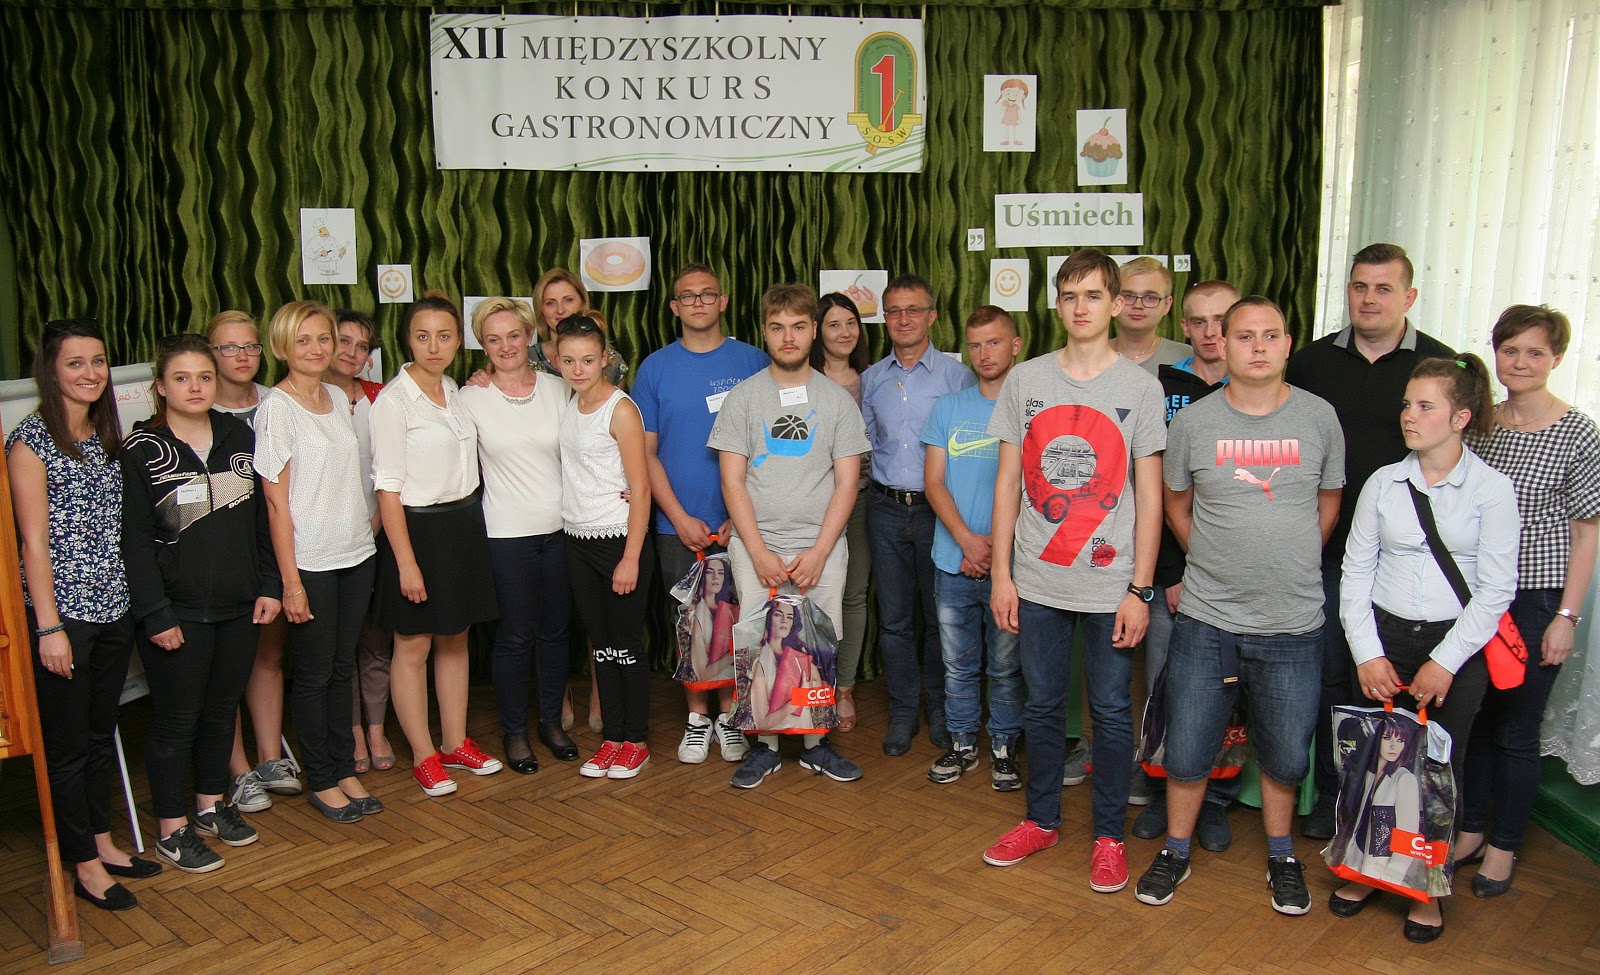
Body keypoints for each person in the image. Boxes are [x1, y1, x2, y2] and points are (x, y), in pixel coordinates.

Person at [1133, 295, 1344, 916]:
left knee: (1285, 753)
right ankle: (1175, 849)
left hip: (1293, 622)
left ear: (1287, 344)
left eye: (1270, 335)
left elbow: (1328, 502)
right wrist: (1209, 556)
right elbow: (1175, 502)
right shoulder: (1193, 423)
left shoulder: (1319, 417)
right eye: (1244, 336)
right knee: (1189, 747)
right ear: (1222, 345)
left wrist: (1290, 558)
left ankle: (1281, 855)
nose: (1257, 347)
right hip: (1207, 620)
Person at [980, 249, 1164, 897]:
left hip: (1111, 585)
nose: (1080, 307)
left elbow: (1150, 496)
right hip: (1037, 579)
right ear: (1056, 304)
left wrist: (1141, 588)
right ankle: (1041, 820)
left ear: (1115, 304)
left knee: (1111, 710)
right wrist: (1002, 575)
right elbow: (1007, 483)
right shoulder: (1026, 380)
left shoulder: (1140, 389)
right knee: (1042, 703)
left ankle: (1109, 836)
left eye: (1092, 295)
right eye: (1069, 295)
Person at [1334, 354, 1519, 941]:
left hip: (1454, 643)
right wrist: (1367, 653)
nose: (1409, 416)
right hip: (1383, 637)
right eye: (1406, 405)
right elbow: (1355, 573)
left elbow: (1497, 590)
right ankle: (1365, 871)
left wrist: (1445, 661)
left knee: (1438, 773)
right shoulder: (1383, 483)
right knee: (1373, 762)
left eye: (1424, 406)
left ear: (1460, 417)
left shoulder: (1491, 490)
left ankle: (1425, 890)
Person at [1285, 243, 1454, 839]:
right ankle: (1338, 797)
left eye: (1384, 288)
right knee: (1338, 677)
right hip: (1330, 551)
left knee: (1408, 687)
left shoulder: (1439, 366)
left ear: (1409, 297)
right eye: (1360, 286)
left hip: (1414, 559)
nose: (1369, 299)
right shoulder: (1310, 363)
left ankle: (1405, 813)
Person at [121, 334, 282, 872]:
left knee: (220, 713)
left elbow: (262, 521)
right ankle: (171, 829)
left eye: (205, 377)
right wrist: (155, 613)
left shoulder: (240, 437)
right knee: (176, 722)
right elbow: (134, 542)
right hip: (176, 612)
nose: (195, 387)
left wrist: (269, 584)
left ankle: (211, 806)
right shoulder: (142, 451)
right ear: (160, 387)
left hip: (239, 605)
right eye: (182, 378)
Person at [7, 318, 150, 911]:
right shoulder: (29, 441)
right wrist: (49, 628)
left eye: (98, 361)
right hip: (63, 616)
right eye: (75, 363)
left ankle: (101, 840)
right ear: (51, 370)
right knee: (66, 748)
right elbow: (33, 543)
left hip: (114, 608)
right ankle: (84, 867)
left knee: (99, 734)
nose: (90, 373)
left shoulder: (105, 434)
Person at [1458, 305, 1600, 897]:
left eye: (1535, 352)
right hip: (1474, 599)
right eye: (1510, 350)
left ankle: (1504, 845)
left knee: (1517, 729)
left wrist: (1566, 617)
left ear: (1556, 359)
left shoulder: (1578, 433)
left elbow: (1586, 533)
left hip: (1535, 601)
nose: (1520, 362)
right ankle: (1469, 830)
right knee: (1475, 721)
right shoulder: (1479, 423)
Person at [710, 283, 870, 788]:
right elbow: (732, 481)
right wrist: (757, 551)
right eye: (777, 327)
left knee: (819, 646)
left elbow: (848, 482)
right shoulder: (743, 398)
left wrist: (821, 551)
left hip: (821, 548)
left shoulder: (837, 400)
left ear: (813, 330)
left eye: (799, 326)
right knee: (758, 645)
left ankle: (817, 744)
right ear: (764, 331)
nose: (788, 337)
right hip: (757, 547)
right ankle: (766, 746)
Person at [254, 301, 383, 823]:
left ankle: (343, 768)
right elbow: (274, 503)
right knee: (313, 675)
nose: (316, 349)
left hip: (357, 553)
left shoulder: (334, 396)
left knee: (340, 667)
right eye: (303, 340)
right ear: (283, 346)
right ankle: (323, 779)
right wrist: (290, 581)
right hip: (309, 561)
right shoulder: (276, 408)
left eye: (323, 338)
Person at [371, 293, 503, 797]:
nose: (434, 346)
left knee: (456, 637)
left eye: (444, 336)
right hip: (417, 530)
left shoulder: (454, 389)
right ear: (407, 339)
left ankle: (454, 743)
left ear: (458, 340)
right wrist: (406, 563)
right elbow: (387, 490)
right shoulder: (393, 401)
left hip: (463, 523)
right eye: (422, 336)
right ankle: (424, 756)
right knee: (413, 645)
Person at [633, 263, 765, 764]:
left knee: (735, 620)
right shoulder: (655, 369)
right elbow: (646, 454)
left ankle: (730, 716)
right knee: (689, 623)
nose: (698, 303)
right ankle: (696, 719)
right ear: (674, 307)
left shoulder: (752, 360)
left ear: (723, 301)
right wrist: (678, 516)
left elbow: (766, 447)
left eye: (707, 294)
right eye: (687, 296)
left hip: (741, 522)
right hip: (677, 524)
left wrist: (744, 515)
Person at [1132, 280, 1242, 845]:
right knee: (1166, 687)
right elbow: (1153, 490)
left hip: (1234, 578)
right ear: (1184, 327)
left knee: (1226, 690)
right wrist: (1174, 574)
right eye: (1199, 321)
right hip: (1170, 573)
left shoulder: (1256, 391)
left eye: (1222, 320)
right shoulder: (1158, 387)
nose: (1210, 332)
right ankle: (1161, 792)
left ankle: (1215, 799)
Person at [458, 297, 578, 769]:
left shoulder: (558, 387)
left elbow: (586, 448)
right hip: (506, 534)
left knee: (555, 633)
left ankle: (550, 723)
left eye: (513, 335)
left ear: (530, 335)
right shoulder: (470, 397)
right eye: (493, 339)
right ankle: (514, 733)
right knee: (514, 637)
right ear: (482, 345)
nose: (505, 346)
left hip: (561, 529)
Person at [861, 274, 976, 755]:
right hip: (885, 509)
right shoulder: (872, 379)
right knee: (894, 620)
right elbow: (867, 445)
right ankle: (904, 711)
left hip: (938, 514)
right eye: (894, 311)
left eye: (913, 309)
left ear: (932, 316)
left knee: (938, 616)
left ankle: (941, 710)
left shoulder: (958, 377)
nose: (903, 319)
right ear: (885, 319)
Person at [921, 306, 1024, 791]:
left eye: (995, 342)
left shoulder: (1030, 411)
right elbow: (933, 482)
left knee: (1005, 666)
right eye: (976, 345)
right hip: (953, 561)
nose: (985, 353)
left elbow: (1034, 487)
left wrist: (995, 551)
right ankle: (962, 744)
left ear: (1016, 346)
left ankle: (1004, 747)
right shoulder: (948, 408)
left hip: (1011, 568)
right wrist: (966, 540)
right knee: (958, 666)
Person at [555, 315, 655, 779]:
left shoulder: (622, 409)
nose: (578, 369)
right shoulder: (569, 404)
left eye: (587, 360)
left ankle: (636, 741)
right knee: (602, 649)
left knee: (627, 647)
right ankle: (612, 738)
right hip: (577, 541)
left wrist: (631, 558)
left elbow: (642, 487)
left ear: (605, 359)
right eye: (569, 360)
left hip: (618, 541)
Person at [208, 310, 301, 808]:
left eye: (250, 346)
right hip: (223, 557)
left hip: (274, 553)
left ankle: (270, 758)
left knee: (268, 655)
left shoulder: (277, 401)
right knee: (225, 668)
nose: (242, 356)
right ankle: (238, 770)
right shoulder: (196, 406)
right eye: (229, 347)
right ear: (211, 354)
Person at [325, 309, 394, 774]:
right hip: (329, 539)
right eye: (343, 341)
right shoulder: (307, 400)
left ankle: (377, 728)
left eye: (362, 346)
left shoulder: (381, 398)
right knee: (339, 644)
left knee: (375, 639)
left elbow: (393, 466)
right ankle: (350, 730)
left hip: (379, 532)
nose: (351, 352)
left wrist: (376, 523)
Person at [810, 291, 873, 732]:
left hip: (862, 502)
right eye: (834, 324)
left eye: (851, 322)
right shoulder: (804, 381)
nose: (844, 332)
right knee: (812, 594)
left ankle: (844, 688)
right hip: (813, 502)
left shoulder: (874, 379)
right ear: (818, 331)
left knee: (853, 595)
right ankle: (812, 684)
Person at [1337, 721, 1424, 887]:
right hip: (1356, 858)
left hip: (1385, 869)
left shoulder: (1404, 779)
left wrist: (1392, 875)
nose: (1393, 746)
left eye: (1400, 740)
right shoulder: (1366, 774)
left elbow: (1407, 834)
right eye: (1387, 738)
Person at [738, 599, 837, 733]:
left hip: (805, 726)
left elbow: (818, 693)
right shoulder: (760, 662)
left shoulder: (800, 654)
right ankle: (768, 743)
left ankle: (814, 742)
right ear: (768, 618)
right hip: (776, 728)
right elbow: (762, 723)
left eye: (789, 617)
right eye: (778, 614)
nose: (784, 620)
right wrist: (797, 700)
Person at [531, 268, 626, 386]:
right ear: (540, 309)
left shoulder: (612, 362)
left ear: (582, 303)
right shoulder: (528, 360)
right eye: (550, 303)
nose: (560, 310)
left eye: (568, 300)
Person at [1110, 257, 1189, 374]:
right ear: (1114, 301)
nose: (1138, 305)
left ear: (1167, 305)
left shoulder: (1187, 358)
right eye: (1128, 296)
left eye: (1150, 298)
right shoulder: (1088, 355)